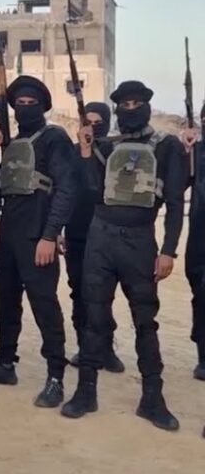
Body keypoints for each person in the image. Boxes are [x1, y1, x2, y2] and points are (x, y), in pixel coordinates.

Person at [62, 80, 185, 431]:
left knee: (145, 320)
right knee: (93, 316)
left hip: (140, 239)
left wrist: (168, 250)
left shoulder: (167, 146)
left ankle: (152, 398)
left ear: (146, 105)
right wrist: (86, 150)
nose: (130, 109)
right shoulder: (106, 146)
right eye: (124, 105)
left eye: (136, 103)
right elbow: (89, 188)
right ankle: (86, 392)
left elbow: (175, 202)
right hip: (100, 238)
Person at [0, 75, 74, 409]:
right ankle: (5, 363)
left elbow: (66, 189)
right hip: (10, 233)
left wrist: (50, 235)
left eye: (31, 103)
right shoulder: (13, 141)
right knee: (6, 300)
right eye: (20, 104)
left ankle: (55, 376)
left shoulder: (54, 138)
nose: (25, 108)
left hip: (37, 233)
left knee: (44, 304)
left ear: (43, 107)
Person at [65, 102, 124, 372]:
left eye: (98, 122)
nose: (92, 127)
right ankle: (85, 348)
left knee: (103, 294)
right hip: (76, 231)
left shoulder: (114, 151)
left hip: (105, 231)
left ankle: (106, 348)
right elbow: (63, 191)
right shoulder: (71, 151)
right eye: (87, 121)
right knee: (78, 291)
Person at [181, 104, 205, 381]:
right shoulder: (196, 151)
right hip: (200, 238)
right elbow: (178, 184)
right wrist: (186, 151)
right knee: (201, 294)